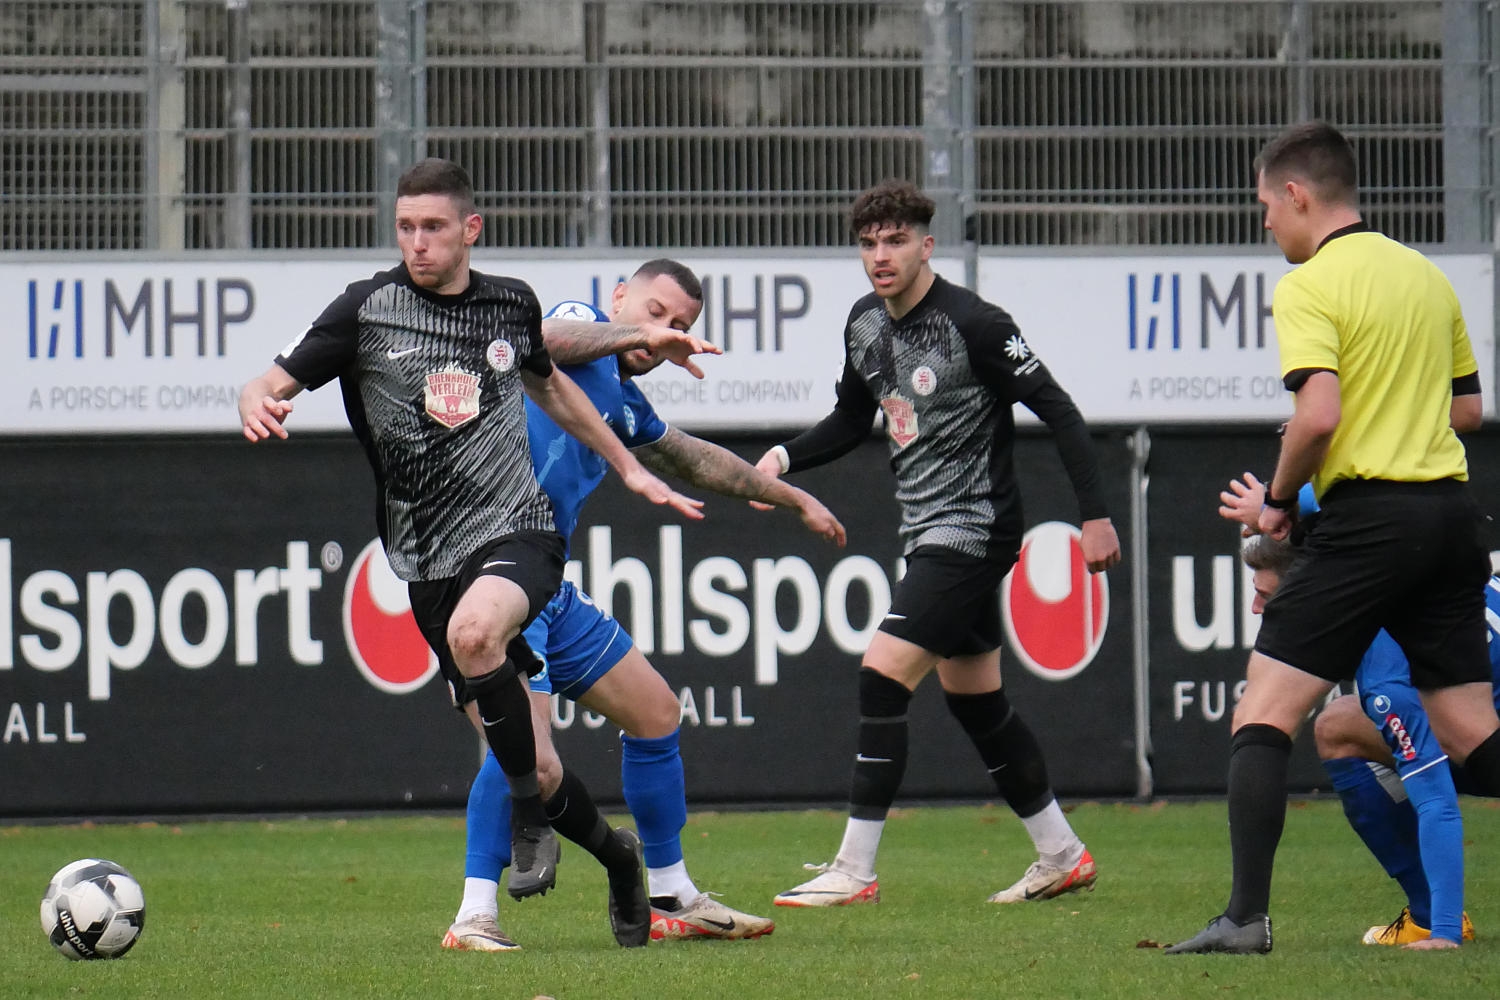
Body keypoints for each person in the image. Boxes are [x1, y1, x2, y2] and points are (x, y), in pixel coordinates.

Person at [238, 158, 702, 946]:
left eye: (434, 227)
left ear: (469, 230)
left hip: (518, 528)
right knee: (540, 765)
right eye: (406, 227)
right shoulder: (364, 310)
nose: (418, 242)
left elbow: (552, 386)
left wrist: (627, 467)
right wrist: (256, 400)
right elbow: (269, 381)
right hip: (429, 556)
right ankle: (615, 856)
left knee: (477, 632)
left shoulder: (509, 303)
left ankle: (521, 834)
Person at [442, 259, 849, 952]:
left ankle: (670, 895)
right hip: (491, 575)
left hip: (546, 586)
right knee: (524, 752)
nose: (664, 331)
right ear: (619, 296)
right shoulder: (578, 325)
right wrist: (642, 334)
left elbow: (692, 458)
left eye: (679, 324)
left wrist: (792, 497)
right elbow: (543, 339)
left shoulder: (626, 405)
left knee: (657, 712)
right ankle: (474, 914)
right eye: (655, 312)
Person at [1165, 120, 1500, 956]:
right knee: (1471, 729)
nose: (1266, 223)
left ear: (1297, 195)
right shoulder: (1427, 276)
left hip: (1372, 521)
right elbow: (1467, 411)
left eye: (1265, 206)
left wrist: (1279, 500)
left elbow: (1317, 415)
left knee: (1263, 710)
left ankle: (1244, 919)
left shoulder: (1311, 284)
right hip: (1451, 515)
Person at [750, 178, 1122, 908]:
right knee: (976, 701)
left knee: (881, 674)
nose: (880, 256)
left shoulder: (975, 324)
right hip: (925, 531)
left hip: (975, 528)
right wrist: (782, 459)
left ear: (927, 245)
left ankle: (854, 869)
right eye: (868, 243)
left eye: (896, 241)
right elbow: (850, 419)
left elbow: (1060, 411)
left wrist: (1096, 516)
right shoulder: (864, 322)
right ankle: (1062, 854)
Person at [1221, 477, 1483, 948]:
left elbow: (1436, 800)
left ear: (1310, 592)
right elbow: (1353, 494)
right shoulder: (1420, 561)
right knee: (1341, 724)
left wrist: (1445, 936)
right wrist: (1278, 505)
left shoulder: (1384, 665)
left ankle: (1435, 919)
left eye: (1267, 595)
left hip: (1486, 745)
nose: (1258, 609)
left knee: (1407, 753)